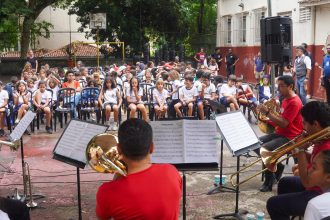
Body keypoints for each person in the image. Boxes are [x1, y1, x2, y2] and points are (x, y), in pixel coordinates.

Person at [96, 118, 182, 220]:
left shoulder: (107, 191)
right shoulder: (171, 171)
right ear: (152, 148)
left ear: (118, 149)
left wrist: (117, 177)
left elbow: (102, 217)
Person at [267, 101, 330, 219]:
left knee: (273, 204)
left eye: (305, 123)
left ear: (315, 124)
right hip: (317, 184)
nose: (303, 127)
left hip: (320, 192)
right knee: (285, 182)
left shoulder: (326, 147)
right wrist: (302, 154)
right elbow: (315, 159)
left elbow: (307, 182)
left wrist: (300, 150)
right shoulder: (321, 137)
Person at [257, 75, 304, 192]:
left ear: (290, 86)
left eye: (281, 86)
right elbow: (281, 119)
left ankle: (269, 182)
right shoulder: (285, 99)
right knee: (256, 144)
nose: (278, 89)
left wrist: (267, 112)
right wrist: (268, 118)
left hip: (291, 137)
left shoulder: (295, 102)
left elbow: (284, 124)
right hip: (281, 133)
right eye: (278, 85)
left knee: (265, 149)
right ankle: (276, 167)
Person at [304, 150, 330, 220]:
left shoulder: (315, 205)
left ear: (328, 177)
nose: (309, 170)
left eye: (314, 168)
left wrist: (300, 151)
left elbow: (306, 182)